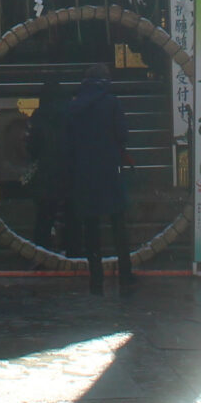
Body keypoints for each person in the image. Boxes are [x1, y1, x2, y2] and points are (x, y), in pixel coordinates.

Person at [64, 63, 136, 294]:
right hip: (109, 169)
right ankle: (125, 272)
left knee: (91, 226)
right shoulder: (112, 103)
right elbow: (122, 133)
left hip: (84, 172)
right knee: (118, 222)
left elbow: (70, 140)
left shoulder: (75, 106)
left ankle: (96, 276)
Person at [28, 75, 71, 253]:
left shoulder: (39, 115)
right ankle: (72, 250)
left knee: (44, 215)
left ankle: (42, 252)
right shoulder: (69, 112)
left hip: (46, 169)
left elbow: (33, 146)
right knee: (70, 214)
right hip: (68, 169)